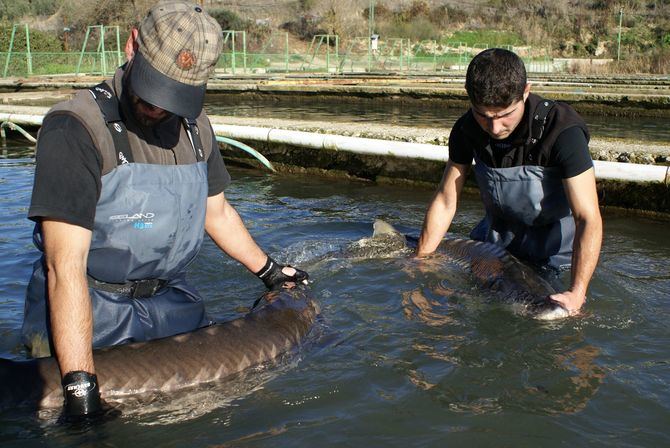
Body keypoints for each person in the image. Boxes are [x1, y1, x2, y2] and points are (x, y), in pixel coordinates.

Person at [22, 1, 307, 419]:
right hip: (91, 308)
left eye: (175, 95)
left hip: (171, 302)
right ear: (132, 44)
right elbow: (64, 267)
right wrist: (79, 386)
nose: (158, 108)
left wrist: (270, 271)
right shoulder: (75, 127)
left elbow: (217, 212)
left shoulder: (195, 128)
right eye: (153, 87)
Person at [416, 48, 602, 316]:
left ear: (525, 92)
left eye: (505, 115)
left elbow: (588, 217)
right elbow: (446, 200)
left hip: (555, 254)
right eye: (485, 116)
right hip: (495, 246)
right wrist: (421, 263)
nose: (495, 128)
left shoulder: (563, 130)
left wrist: (577, 292)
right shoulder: (466, 129)